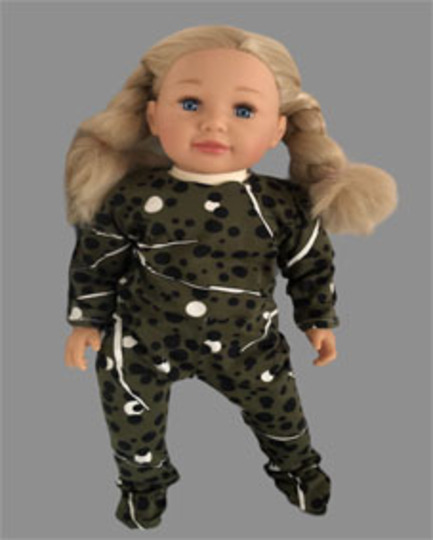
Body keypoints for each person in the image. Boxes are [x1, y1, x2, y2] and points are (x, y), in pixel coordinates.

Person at [63, 25, 397, 529]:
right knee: (128, 414)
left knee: (282, 412)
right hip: (142, 340)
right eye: (190, 104)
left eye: (243, 110)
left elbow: (310, 263)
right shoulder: (132, 197)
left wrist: (318, 319)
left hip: (248, 343)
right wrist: (86, 321)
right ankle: (142, 484)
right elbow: (97, 258)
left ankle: (296, 467)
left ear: (277, 130)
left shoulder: (282, 206)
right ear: (153, 116)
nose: (214, 124)